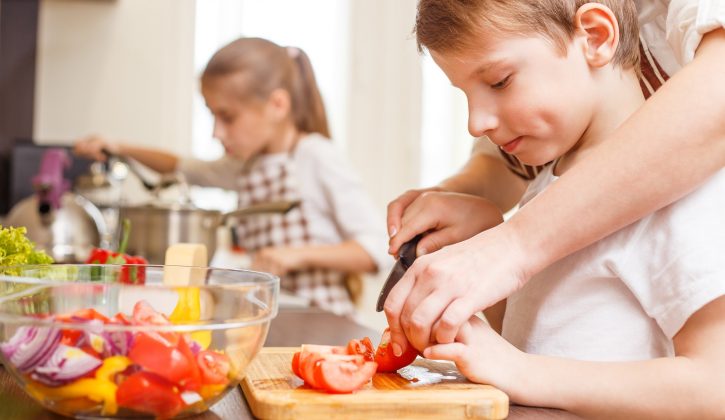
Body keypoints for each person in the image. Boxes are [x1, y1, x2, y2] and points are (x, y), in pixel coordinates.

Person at [397, 1, 725, 417]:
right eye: (465, 94)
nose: (475, 123)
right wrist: (484, 239)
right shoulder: (546, 187)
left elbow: (717, 386)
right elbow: (528, 346)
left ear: (595, 37)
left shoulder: (683, 194)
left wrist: (523, 371)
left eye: (499, 82)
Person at [74, 37, 389, 316]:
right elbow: (181, 166)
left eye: (227, 117)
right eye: (213, 115)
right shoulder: (245, 166)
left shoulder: (315, 156)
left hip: (322, 322)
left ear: (277, 105)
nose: (216, 132)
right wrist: (118, 146)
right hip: (274, 316)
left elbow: (375, 250)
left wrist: (294, 256)